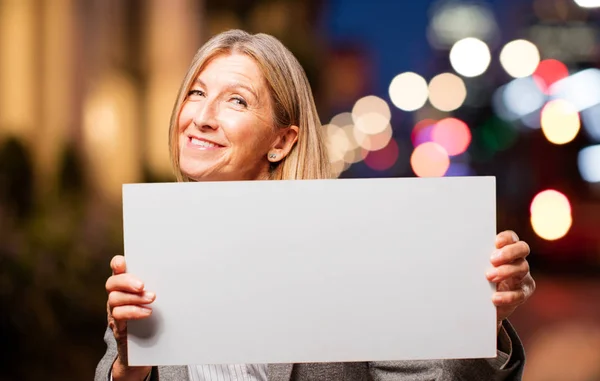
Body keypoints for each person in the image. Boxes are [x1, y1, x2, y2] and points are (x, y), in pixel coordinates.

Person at [95, 29, 536, 381]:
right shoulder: (157, 240)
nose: (202, 116)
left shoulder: (345, 244)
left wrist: (478, 321)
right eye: (195, 92)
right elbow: (117, 374)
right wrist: (128, 370)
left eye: (236, 100)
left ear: (281, 141)